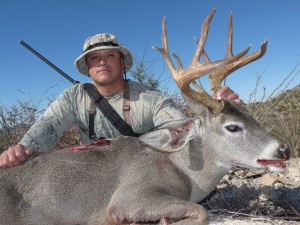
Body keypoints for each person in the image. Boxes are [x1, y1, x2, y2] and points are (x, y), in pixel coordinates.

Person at [0, 33, 241, 168]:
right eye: (94, 58)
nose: (102, 62)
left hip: (143, 172)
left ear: (122, 62)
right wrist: (23, 148)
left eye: (109, 55)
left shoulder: (149, 98)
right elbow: (49, 125)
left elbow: (180, 127)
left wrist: (216, 111)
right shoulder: (73, 97)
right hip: (94, 171)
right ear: (88, 68)